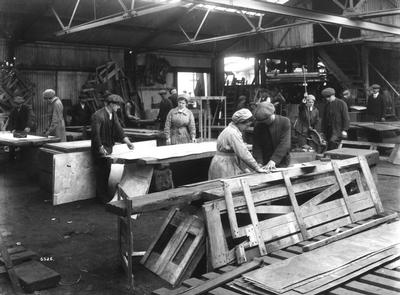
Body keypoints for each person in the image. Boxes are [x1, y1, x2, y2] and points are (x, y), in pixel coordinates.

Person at [91, 93, 134, 203]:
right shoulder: (98, 115)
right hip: (99, 147)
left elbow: (119, 129)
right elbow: (95, 134)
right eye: (117, 105)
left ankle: (104, 195)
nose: (119, 107)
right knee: (101, 172)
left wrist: (127, 141)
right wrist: (100, 147)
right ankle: (101, 198)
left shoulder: (113, 114)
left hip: (109, 147)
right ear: (110, 104)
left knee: (107, 171)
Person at [208, 108, 267, 179]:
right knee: (226, 186)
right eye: (247, 125)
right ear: (240, 122)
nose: (247, 128)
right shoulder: (233, 133)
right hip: (225, 164)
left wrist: (245, 168)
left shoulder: (231, 130)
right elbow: (243, 152)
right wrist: (256, 167)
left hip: (225, 161)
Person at [253, 102, 291, 170]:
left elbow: (285, 144)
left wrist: (274, 160)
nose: (264, 123)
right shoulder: (258, 125)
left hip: (282, 161)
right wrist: (259, 162)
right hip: (265, 162)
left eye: (266, 120)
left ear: (272, 113)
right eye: (262, 121)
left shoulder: (285, 122)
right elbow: (257, 146)